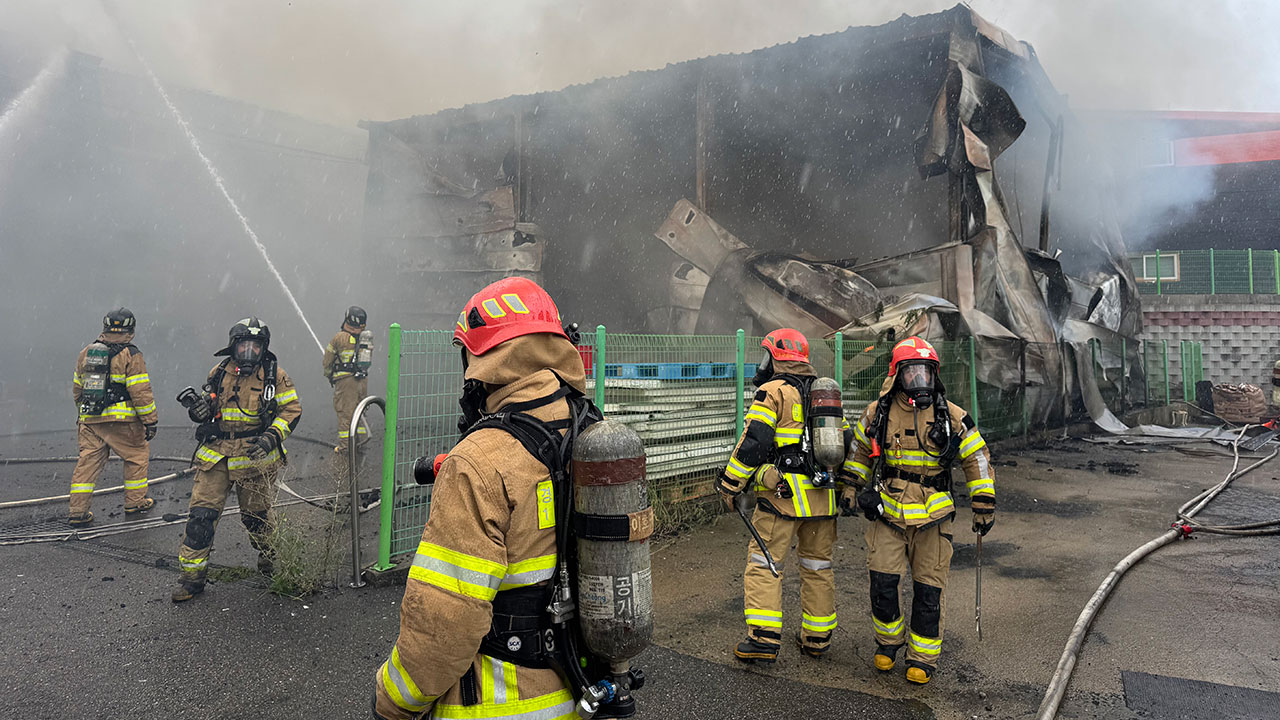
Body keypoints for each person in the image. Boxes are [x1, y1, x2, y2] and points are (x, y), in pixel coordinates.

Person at [373, 277, 593, 720]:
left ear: (486, 357)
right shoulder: (590, 433)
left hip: (500, 706)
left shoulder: (478, 461)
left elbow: (444, 624)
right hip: (579, 692)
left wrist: (393, 701)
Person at [840, 336, 995, 685]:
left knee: (928, 591)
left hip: (934, 517)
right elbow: (861, 450)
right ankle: (887, 643)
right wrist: (851, 486)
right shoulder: (878, 412)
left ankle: (922, 658)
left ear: (934, 375)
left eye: (926, 372)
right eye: (912, 373)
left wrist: (983, 504)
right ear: (897, 374)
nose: (919, 380)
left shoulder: (952, 416)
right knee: (882, 584)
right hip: (889, 512)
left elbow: (977, 459)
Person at [716, 328, 842, 663]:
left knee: (764, 562)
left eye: (766, 354)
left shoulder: (773, 391)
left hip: (783, 499)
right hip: (822, 498)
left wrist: (730, 483)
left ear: (775, 357)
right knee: (817, 567)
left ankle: (763, 639)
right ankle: (817, 637)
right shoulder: (820, 392)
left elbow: (753, 442)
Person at [171, 317, 301, 602]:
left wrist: (270, 438)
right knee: (200, 518)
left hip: (253, 460)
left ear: (263, 348)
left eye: (255, 347)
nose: (249, 353)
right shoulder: (218, 372)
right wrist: (200, 411)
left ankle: (269, 556)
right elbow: (208, 406)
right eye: (244, 346)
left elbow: (291, 411)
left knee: (256, 519)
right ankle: (192, 579)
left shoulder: (275, 376)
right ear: (233, 346)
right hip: (215, 456)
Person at [69, 308, 158, 525]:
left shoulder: (87, 352)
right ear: (131, 330)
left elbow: (77, 389)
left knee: (87, 464)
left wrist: (84, 415)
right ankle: (135, 502)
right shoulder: (131, 354)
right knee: (136, 456)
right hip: (122, 422)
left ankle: (77, 512)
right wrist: (150, 420)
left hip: (90, 419)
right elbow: (140, 391)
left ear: (105, 327)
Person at [323, 306, 369, 455]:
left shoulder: (339, 338)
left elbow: (327, 361)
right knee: (359, 410)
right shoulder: (363, 338)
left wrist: (329, 374)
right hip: (361, 381)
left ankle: (345, 448)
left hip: (346, 381)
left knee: (344, 413)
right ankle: (360, 441)